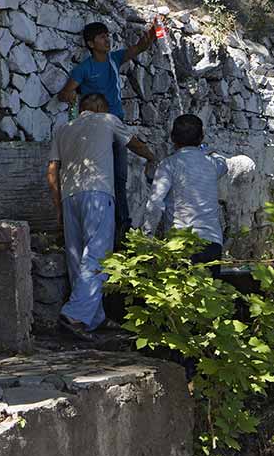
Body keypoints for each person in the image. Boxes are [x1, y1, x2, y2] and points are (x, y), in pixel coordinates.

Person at [47, 93, 157, 342]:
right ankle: (74, 315)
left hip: (69, 197)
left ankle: (93, 317)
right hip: (97, 192)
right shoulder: (107, 119)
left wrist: (57, 207)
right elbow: (134, 143)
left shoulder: (63, 128)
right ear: (98, 107)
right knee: (98, 254)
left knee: (76, 257)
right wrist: (152, 157)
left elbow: (52, 170)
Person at [58, 20, 159, 241]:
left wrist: (152, 32)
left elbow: (139, 47)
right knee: (102, 177)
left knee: (120, 178)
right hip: (95, 128)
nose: (107, 40)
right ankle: (109, 226)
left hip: (116, 123)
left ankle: (122, 226)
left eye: (107, 36)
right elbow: (65, 93)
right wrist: (74, 97)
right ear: (91, 43)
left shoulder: (114, 59)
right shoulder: (84, 68)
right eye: (102, 37)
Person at [141, 114, 228, 276]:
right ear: (201, 137)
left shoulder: (169, 164)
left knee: (178, 296)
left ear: (172, 138)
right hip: (212, 242)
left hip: (179, 242)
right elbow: (223, 163)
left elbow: (155, 203)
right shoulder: (211, 164)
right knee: (209, 297)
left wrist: (147, 237)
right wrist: (210, 151)